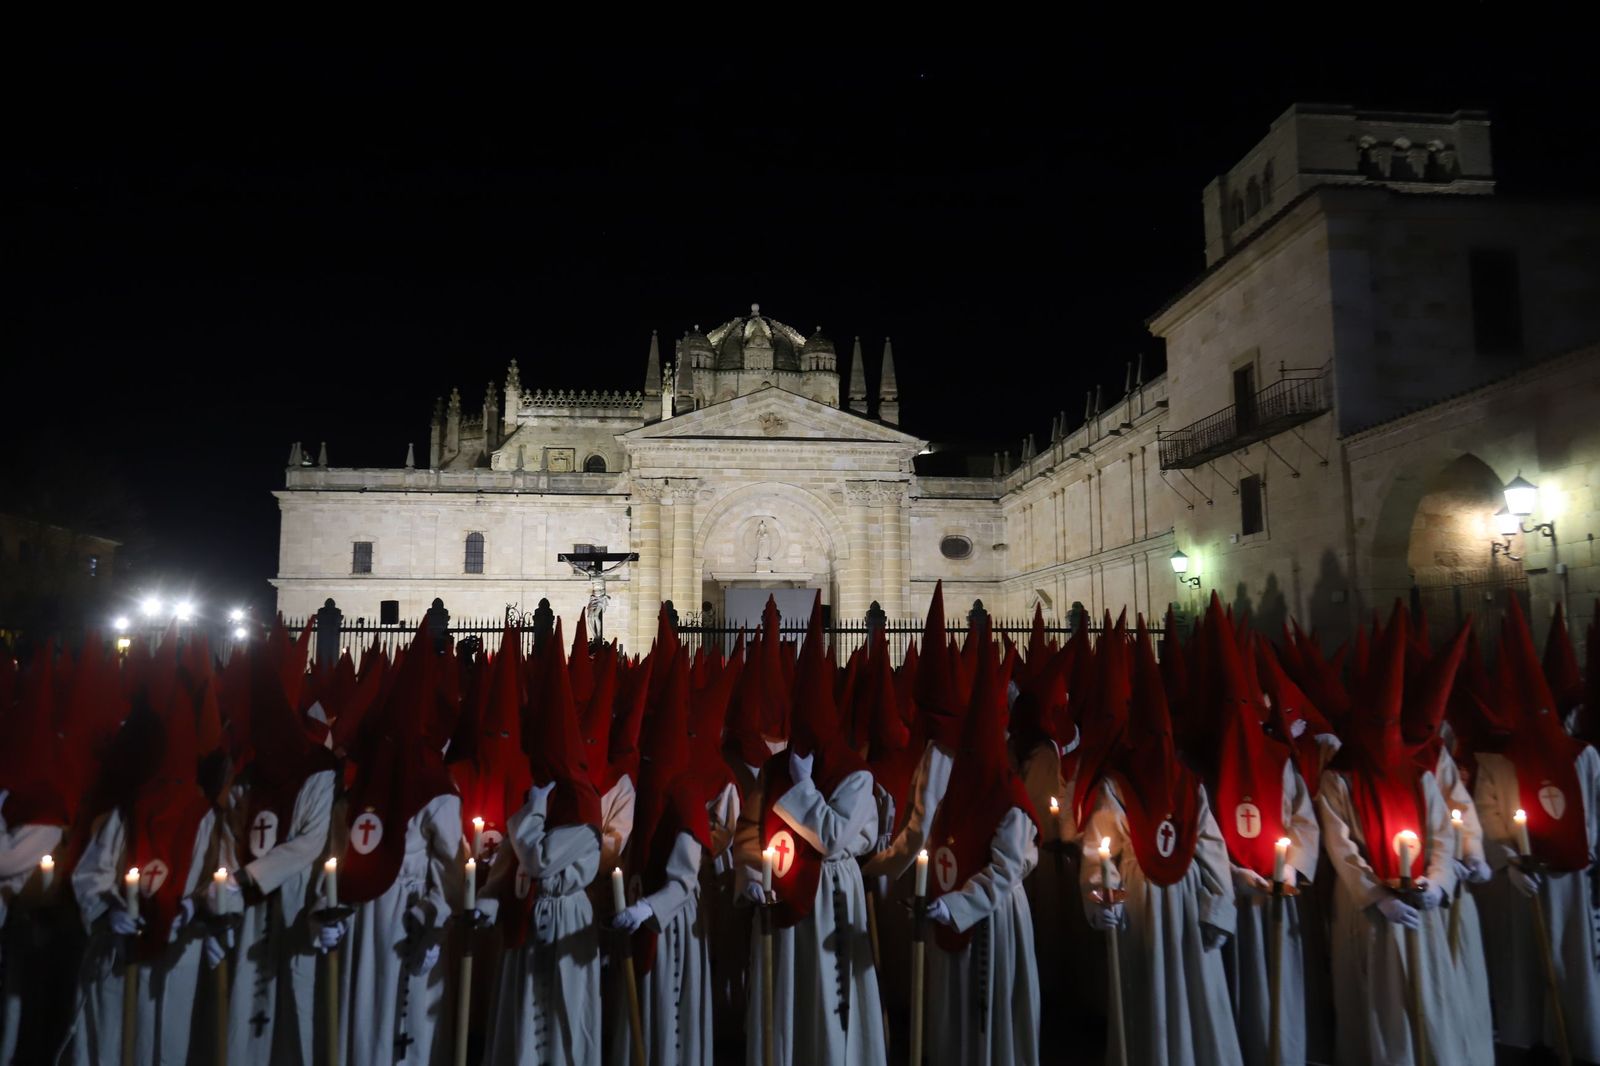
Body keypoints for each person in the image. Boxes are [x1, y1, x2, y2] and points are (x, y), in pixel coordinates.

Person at [1081, 619, 1243, 1066]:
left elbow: (1212, 853)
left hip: (1188, 906)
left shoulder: (1189, 787)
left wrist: (1218, 909)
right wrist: (1102, 898)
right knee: (1147, 992)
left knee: (1195, 991)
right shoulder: (1118, 786)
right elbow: (1100, 852)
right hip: (1138, 905)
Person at [736, 593, 885, 1066]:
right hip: (779, 890)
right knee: (786, 993)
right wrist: (747, 879)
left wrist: (803, 788)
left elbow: (834, 837)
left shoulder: (854, 775)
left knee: (828, 991)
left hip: (831, 893)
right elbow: (748, 831)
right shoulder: (775, 769)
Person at [1316, 607, 1469, 1066]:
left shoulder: (1419, 777)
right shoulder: (1338, 778)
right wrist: (1376, 895)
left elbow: (1443, 834)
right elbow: (1340, 845)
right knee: (1376, 999)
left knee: (1429, 997)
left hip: (1421, 901)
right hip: (1370, 910)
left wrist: (1437, 883)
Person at [319, 629, 465, 1066]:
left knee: (381, 1014)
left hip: (388, 913)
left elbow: (450, 871)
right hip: (389, 912)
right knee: (383, 1016)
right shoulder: (436, 788)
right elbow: (453, 868)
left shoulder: (366, 780)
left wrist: (434, 919)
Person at [1472, 597, 1600, 1061]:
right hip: (1521, 881)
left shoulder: (1583, 756)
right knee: (1524, 959)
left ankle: (1578, 1037)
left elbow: (1594, 809)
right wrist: (1508, 860)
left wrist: (1587, 850)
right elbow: (1488, 813)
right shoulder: (1496, 762)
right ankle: (1529, 1039)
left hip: (1570, 878)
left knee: (1572, 959)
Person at [68, 676, 219, 1066]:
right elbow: (92, 873)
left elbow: (220, 878)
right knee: (116, 1042)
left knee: (167, 1042)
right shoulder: (127, 812)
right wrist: (108, 910)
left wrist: (193, 908)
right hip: (121, 955)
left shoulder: (203, 818)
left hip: (178, 956)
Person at [480, 631, 603, 1066]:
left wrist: (531, 811)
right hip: (532, 914)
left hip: (565, 915)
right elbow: (514, 860)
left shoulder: (581, 802)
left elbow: (539, 857)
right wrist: (490, 901)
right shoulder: (543, 793)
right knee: (526, 1012)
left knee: (564, 1015)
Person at [210, 649, 337, 1065]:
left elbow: (309, 842)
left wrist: (250, 877)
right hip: (248, 901)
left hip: (294, 896)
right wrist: (227, 886)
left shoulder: (317, 771)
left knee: (293, 999)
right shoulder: (251, 772)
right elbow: (231, 827)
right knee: (245, 1003)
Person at [1203, 607, 1319, 1066]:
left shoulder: (1280, 761)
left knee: (1279, 985)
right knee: (1235, 981)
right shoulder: (1207, 768)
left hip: (1277, 896)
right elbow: (1206, 832)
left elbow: (1303, 820)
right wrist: (1232, 873)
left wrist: (1287, 868)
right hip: (1232, 895)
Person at [924, 635, 1041, 1065]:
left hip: (994, 918)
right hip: (954, 914)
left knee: (991, 1015)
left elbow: (1006, 868)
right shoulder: (956, 794)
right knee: (957, 1016)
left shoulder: (1010, 800)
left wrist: (955, 905)